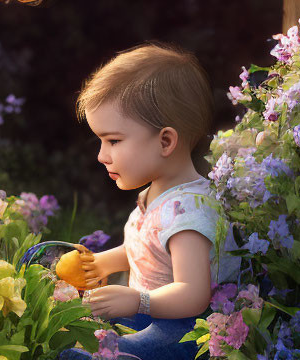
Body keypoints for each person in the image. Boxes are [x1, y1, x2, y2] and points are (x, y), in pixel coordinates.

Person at [57, 43, 241, 360]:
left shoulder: (189, 216)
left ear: (165, 141)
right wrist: (105, 262)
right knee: (80, 322)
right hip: (151, 312)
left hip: (186, 329)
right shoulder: (157, 195)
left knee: (103, 350)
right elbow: (147, 249)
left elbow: (193, 294)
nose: (102, 156)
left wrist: (138, 301)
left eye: (113, 140)